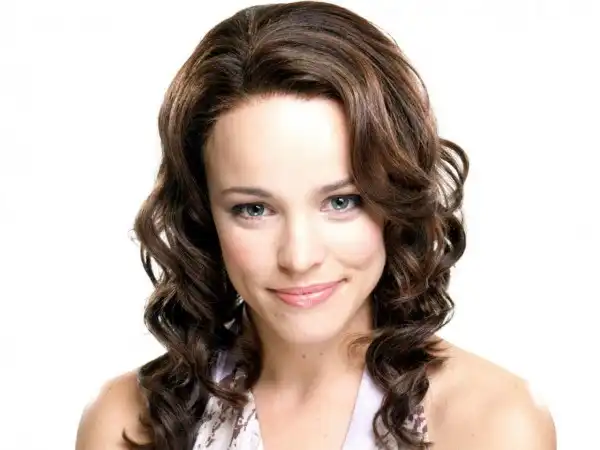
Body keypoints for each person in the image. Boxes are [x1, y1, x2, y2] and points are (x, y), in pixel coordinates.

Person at [76, 2, 556, 449]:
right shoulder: (128, 423)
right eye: (254, 209)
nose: (299, 257)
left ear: (397, 200)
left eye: (341, 202)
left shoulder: (492, 424)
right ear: (203, 215)